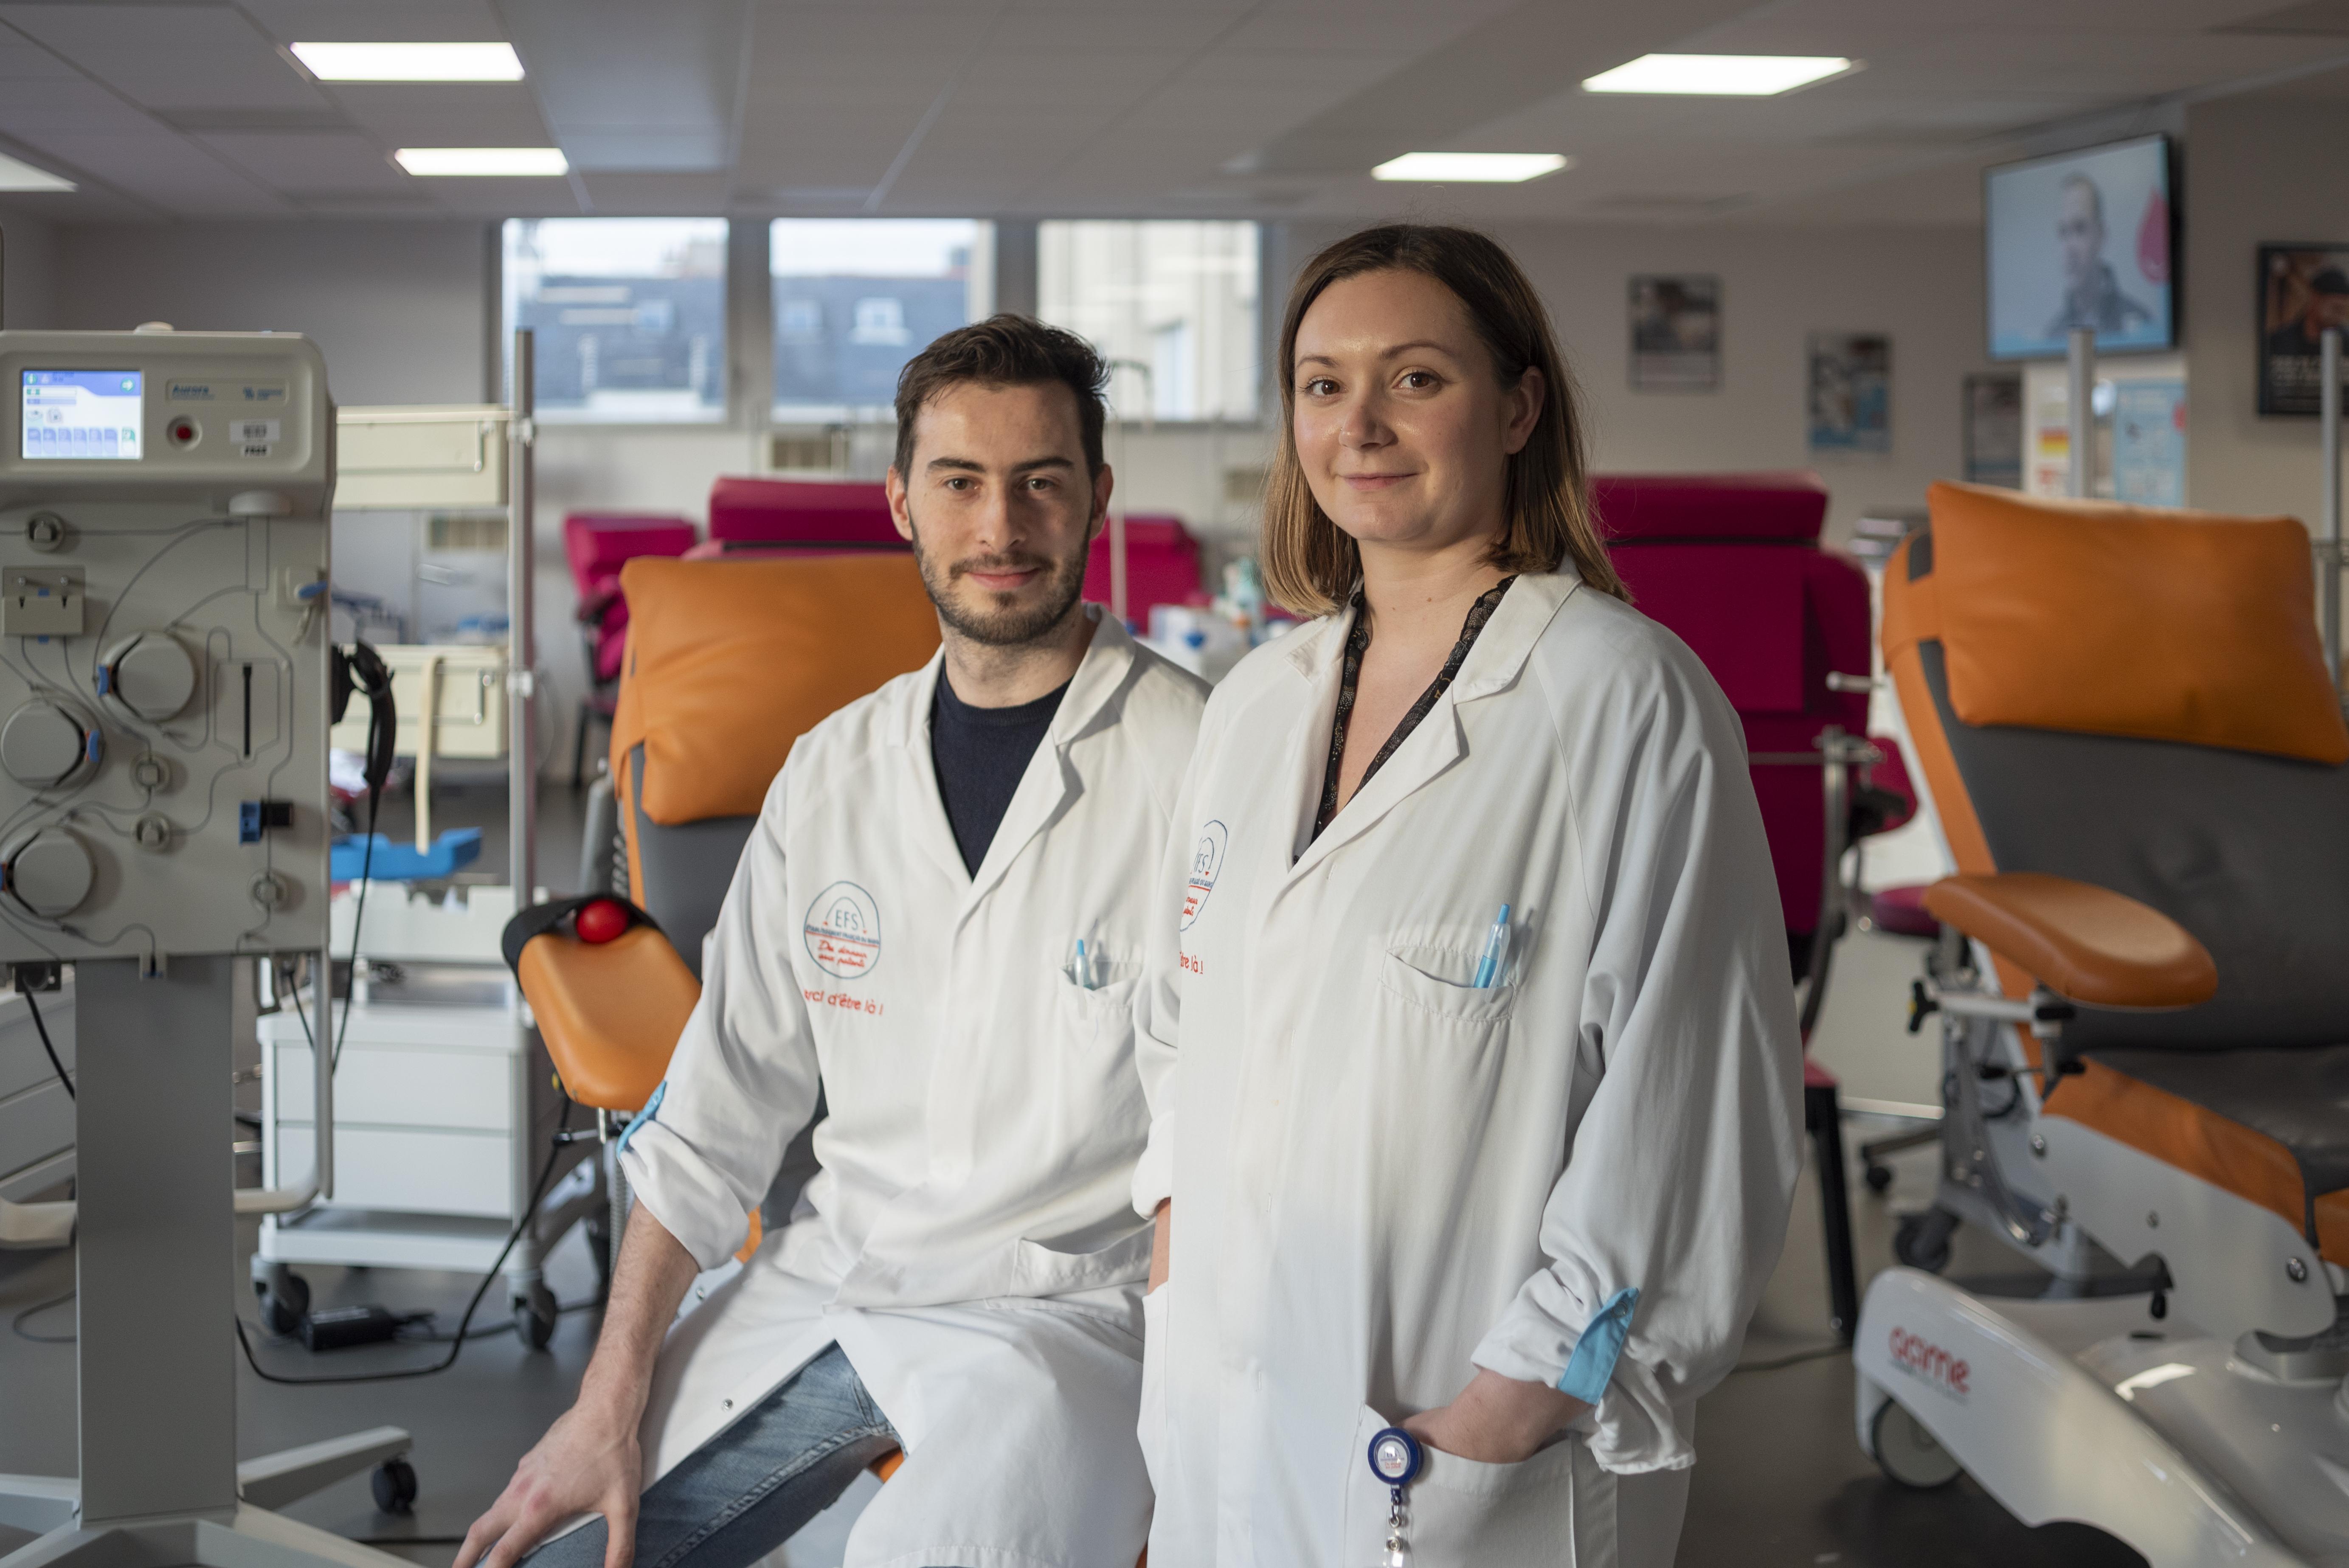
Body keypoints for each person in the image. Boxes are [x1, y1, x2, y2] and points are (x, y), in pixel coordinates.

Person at [459, 315, 1207, 1568]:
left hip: (1060, 1322)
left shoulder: (1197, 763)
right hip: (834, 1277)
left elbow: (1218, 1142)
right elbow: (714, 1115)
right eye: (959, 482)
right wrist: (605, 1396)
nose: (1000, 526)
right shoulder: (829, 772)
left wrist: (1201, 1436)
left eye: (1040, 481)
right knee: (562, 1548)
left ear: (1097, 497)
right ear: (900, 501)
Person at [1132, 225, 1802, 1568]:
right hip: (1221, 1415)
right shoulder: (1257, 702)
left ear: (1517, 405)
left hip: (1462, 1449)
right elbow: (1179, 1027)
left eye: (1415, 378)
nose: (1359, 425)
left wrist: (1518, 1399)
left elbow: (1691, 1111)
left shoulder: (1621, 698)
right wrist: (1172, 1256)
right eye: (1322, 384)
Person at [2045, 173, 2153, 339]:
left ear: (2101, 235)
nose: (2069, 248)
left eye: (2080, 229)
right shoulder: (2053, 334)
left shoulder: (2140, 324)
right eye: (2063, 232)